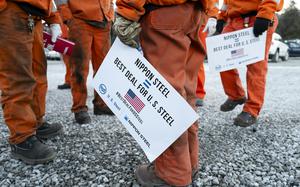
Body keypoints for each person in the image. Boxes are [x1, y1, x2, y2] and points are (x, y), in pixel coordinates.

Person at [114, 0, 216, 186]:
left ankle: (173, 172)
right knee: (185, 92)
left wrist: (126, 11)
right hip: (196, 12)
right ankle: (189, 162)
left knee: (164, 93)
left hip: (164, 13)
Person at [0, 0, 62, 164]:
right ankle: (21, 137)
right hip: (9, 9)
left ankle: (35, 122)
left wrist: (53, 18)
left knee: (37, 71)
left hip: (34, 14)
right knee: (17, 76)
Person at [216, 0, 284, 127]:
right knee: (221, 59)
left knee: (256, 66)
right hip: (234, 20)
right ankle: (236, 95)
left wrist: (265, 14)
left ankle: (251, 110)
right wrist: (222, 16)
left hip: (258, 17)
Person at [55, 0, 114, 124]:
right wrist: (68, 17)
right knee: (79, 68)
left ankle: (101, 104)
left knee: (104, 68)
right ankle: (79, 108)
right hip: (80, 21)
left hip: (104, 22)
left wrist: (110, 13)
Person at [196, 2, 218, 107]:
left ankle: (198, 93)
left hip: (201, 19)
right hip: (181, 16)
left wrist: (213, 17)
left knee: (197, 58)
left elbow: (215, 3)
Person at [57, 22, 71, 90]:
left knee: (69, 63)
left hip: (66, 37)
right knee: (68, 63)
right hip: (64, 36)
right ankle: (69, 81)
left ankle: (69, 82)